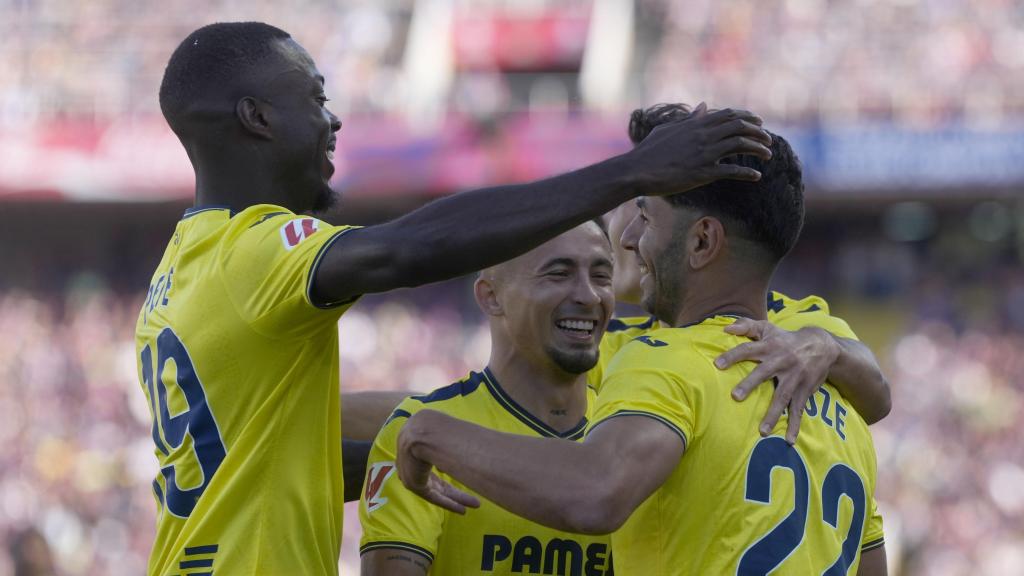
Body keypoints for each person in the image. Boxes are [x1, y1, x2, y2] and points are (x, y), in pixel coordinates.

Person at [137, 21, 772, 576]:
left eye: (599, 272)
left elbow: (271, 466)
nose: (333, 120)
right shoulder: (254, 251)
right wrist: (631, 172)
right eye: (316, 98)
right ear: (258, 117)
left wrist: (462, 454)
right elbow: (406, 249)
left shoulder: (183, 266)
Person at [395, 125, 887, 575]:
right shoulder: (844, 404)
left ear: (701, 241)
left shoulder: (668, 360)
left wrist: (427, 432)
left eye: (646, 220)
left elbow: (596, 492)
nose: (629, 239)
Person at [359, 220, 615, 575]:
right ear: (490, 296)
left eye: (602, 277)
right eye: (559, 274)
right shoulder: (414, 432)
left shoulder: (631, 432)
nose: (589, 296)